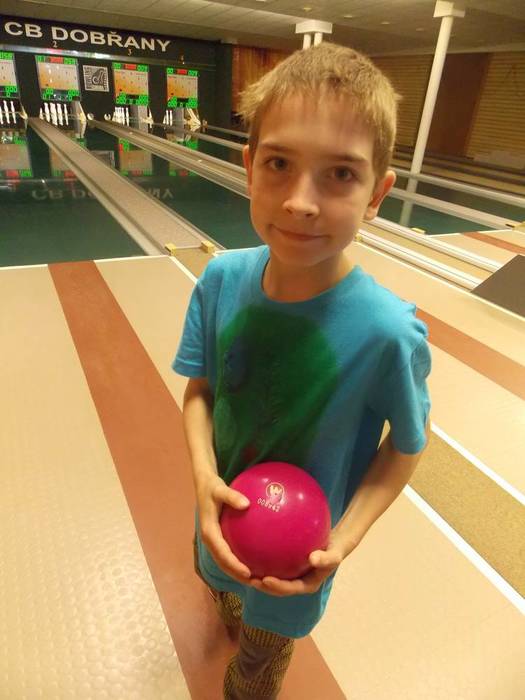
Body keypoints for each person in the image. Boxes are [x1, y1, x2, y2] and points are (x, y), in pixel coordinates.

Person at [173, 42, 431, 699]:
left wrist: (343, 541)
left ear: (376, 195)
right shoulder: (220, 280)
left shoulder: (387, 333)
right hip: (217, 518)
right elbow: (199, 391)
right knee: (219, 586)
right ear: (248, 167)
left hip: (300, 559)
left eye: (339, 174)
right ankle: (229, 602)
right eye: (279, 164)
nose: (299, 202)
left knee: (256, 669)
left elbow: (404, 449)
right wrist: (203, 479)